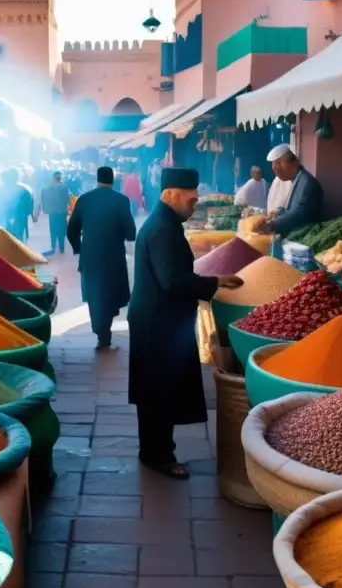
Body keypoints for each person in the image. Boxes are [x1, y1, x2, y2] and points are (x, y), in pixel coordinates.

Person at [128, 167, 242, 479]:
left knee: (155, 391)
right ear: (171, 193)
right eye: (190, 195)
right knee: (159, 390)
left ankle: (153, 451)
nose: (196, 200)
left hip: (155, 318)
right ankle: (159, 456)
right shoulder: (163, 228)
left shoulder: (165, 222)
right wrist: (215, 282)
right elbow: (173, 281)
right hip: (157, 323)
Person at [67, 166, 136, 349]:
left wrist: (78, 248)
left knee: (93, 293)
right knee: (111, 292)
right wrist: (128, 240)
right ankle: (104, 329)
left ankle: (100, 330)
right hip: (114, 256)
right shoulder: (121, 200)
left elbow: (72, 228)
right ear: (113, 180)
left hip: (90, 255)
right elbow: (130, 229)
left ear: (97, 179)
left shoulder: (84, 199)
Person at [257, 144, 324, 250]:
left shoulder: (307, 184)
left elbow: (299, 213)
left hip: (307, 243)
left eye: (279, 163)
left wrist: (273, 224)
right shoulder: (297, 179)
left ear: (294, 163)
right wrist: (279, 212)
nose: (275, 168)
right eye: (274, 165)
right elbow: (292, 209)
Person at [39, 171, 71, 254]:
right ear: (60, 178)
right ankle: (61, 248)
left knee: (53, 230)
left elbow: (44, 199)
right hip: (62, 212)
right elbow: (67, 200)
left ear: (53, 178)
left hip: (52, 213)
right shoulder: (64, 187)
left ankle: (53, 246)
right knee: (62, 231)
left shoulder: (47, 188)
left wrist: (45, 209)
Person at [5, 167, 35, 242]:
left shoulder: (4, 188)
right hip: (21, 219)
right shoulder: (25, 189)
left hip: (6, 220)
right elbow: (30, 206)